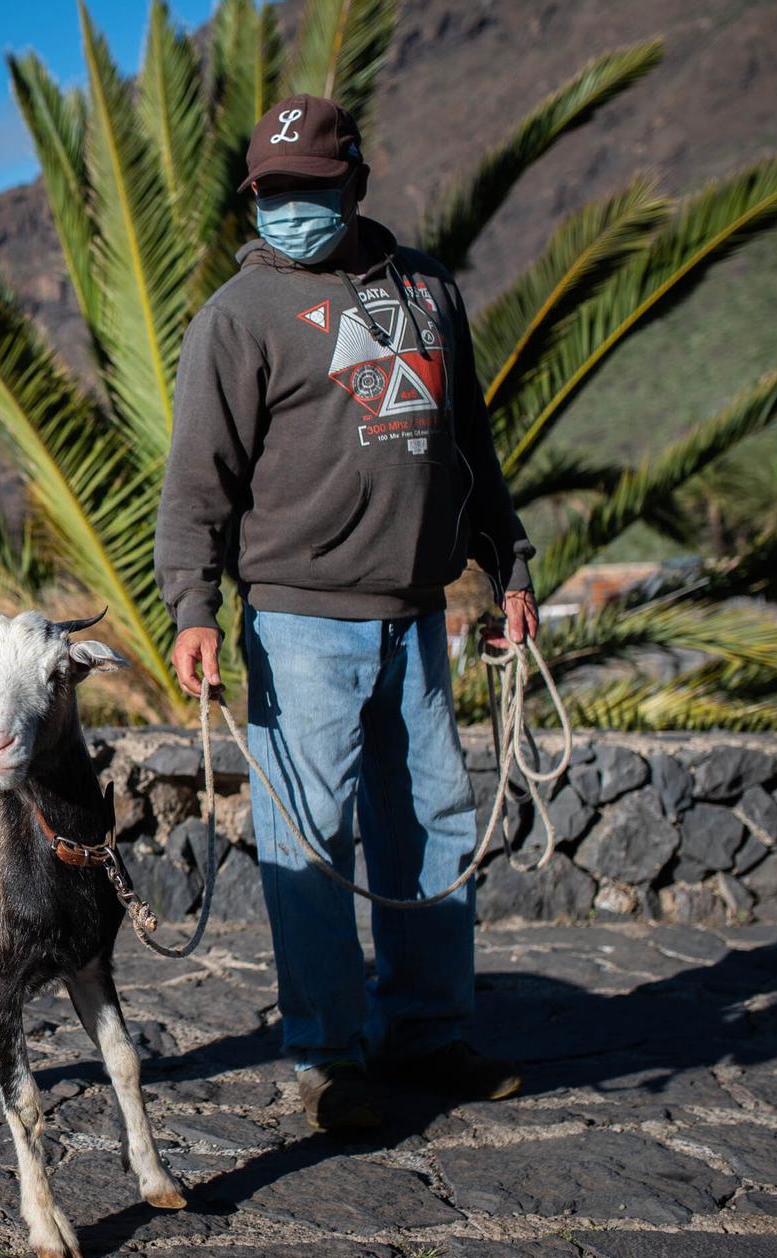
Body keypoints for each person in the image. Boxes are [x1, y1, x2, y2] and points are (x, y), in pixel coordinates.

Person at [153, 93, 538, 1131]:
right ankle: (325, 1059)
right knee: (307, 838)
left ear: (353, 183)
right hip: (295, 622)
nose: (288, 210)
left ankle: (427, 1035)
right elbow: (195, 487)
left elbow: (470, 447)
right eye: (270, 194)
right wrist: (191, 609)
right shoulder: (234, 321)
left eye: (308, 190)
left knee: (429, 826)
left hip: (413, 619)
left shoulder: (424, 287)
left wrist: (508, 568)